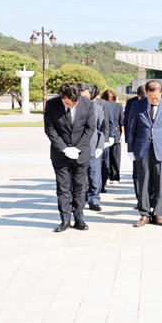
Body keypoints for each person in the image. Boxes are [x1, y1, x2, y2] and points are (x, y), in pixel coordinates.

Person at [44, 83, 96, 232]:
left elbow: (90, 128)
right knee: (63, 189)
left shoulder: (87, 104)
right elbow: (50, 129)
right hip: (61, 154)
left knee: (80, 188)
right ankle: (65, 220)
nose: (71, 106)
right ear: (62, 98)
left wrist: (77, 148)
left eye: (74, 103)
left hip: (81, 153)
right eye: (67, 103)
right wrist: (65, 149)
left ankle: (79, 219)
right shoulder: (52, 104)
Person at [126, 80, 162, 227]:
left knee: (159, 183)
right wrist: (130, 149)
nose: (154, 100)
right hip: (142, 148)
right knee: (143, 182)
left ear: (161, 93)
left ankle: (158, 213)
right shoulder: (137, 106)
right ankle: (144, 214)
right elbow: (131, 128)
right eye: (151, 97)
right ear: (146, 93)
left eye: (156, 97)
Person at [78, 83, 105, 212]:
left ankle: (94, 200)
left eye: (87, 97)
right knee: (79, 178)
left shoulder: (97, 109)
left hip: (93, 148)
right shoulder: (74, 108)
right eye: (81, 97)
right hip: (78, 149)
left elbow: (101, 129)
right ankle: (78, 201)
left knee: (94, 177)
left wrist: (100, 146)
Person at [125, 85, 146, 198]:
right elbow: (128, 122)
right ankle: (139, 197)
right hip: (137, 141)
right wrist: (129, 143)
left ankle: (148, 198)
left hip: (150, 141)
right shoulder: (131, 103)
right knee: (137, 171)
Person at [103, 89, 123, 184]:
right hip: (105, 133)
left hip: (116, 132)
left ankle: (115, 176)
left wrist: (122, 135)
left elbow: (121, 122)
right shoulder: (102, 105)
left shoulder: (118, 106)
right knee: (105, 157)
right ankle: (105, 176)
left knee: (115, 157)